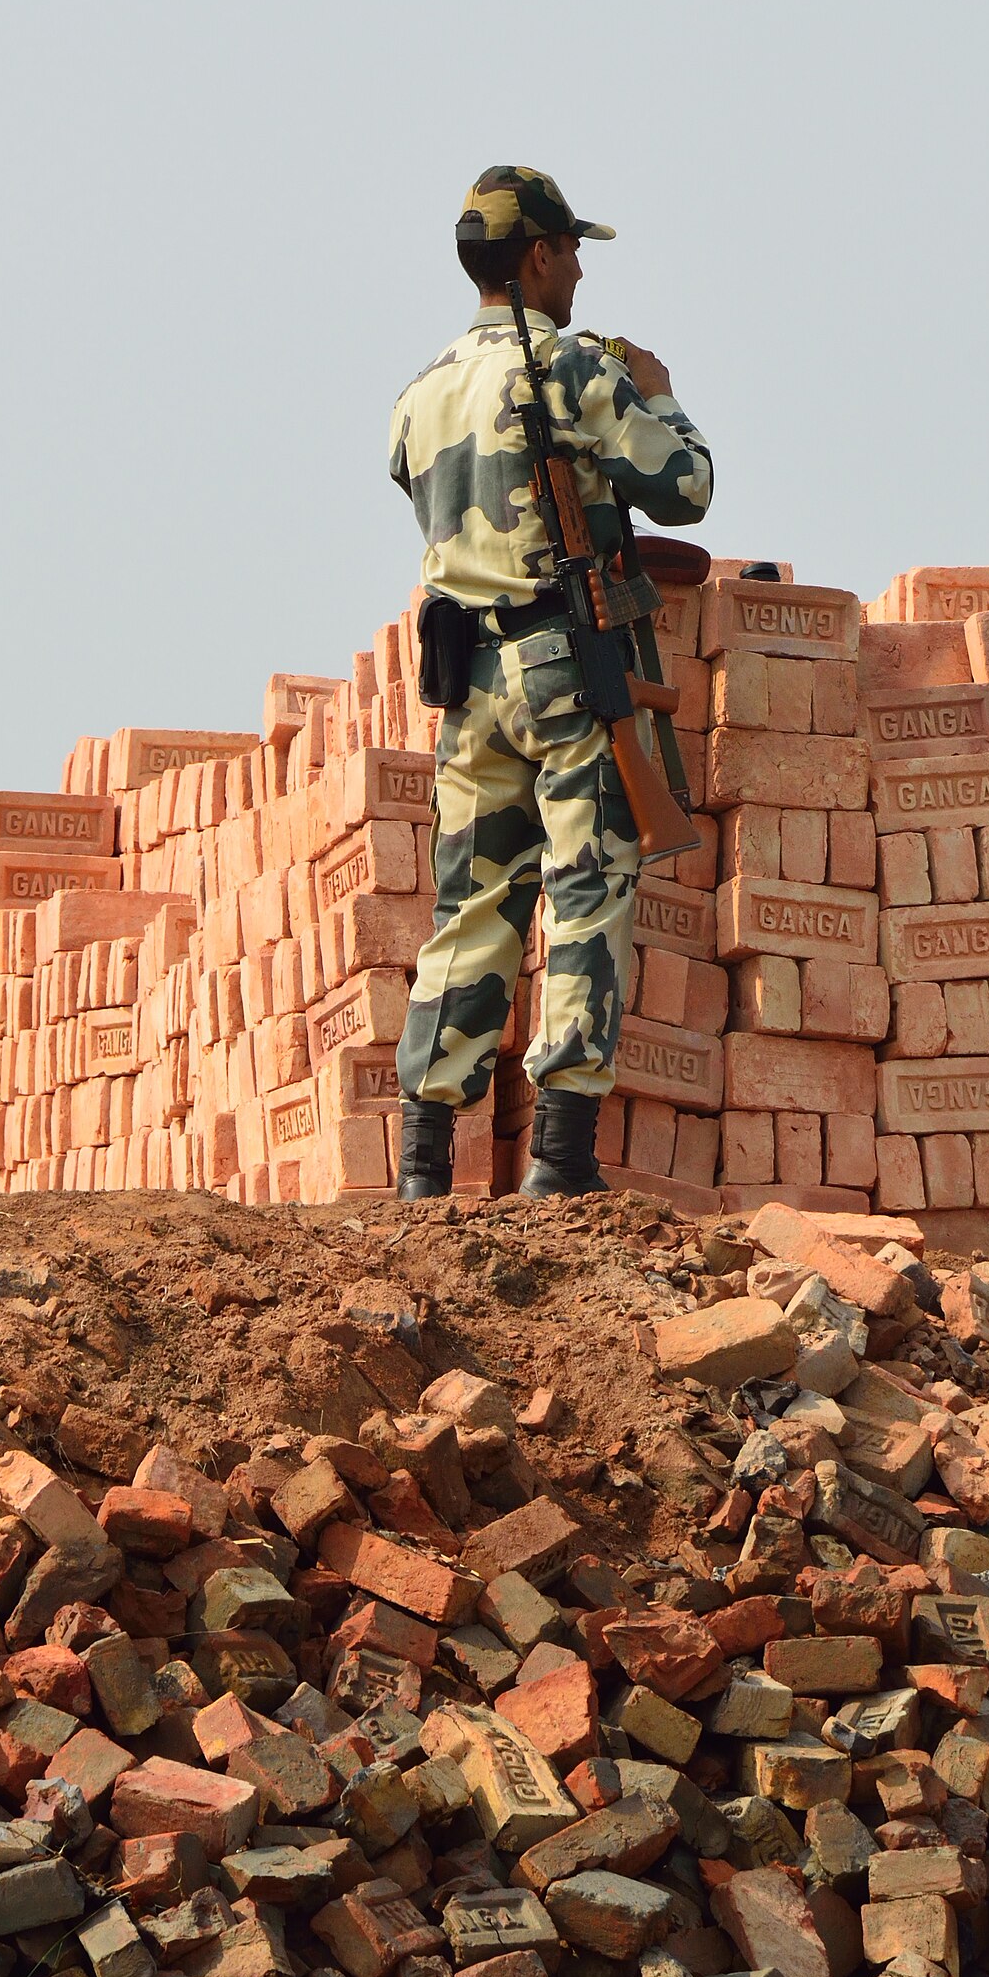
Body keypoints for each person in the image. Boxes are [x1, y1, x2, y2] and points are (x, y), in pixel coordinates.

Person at [386, 167, 714, 1201]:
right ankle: (561, 1159)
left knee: (471, 907)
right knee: (583, 891)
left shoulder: (421, 393)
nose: (577, 267)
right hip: (563, 663)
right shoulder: (570, 367)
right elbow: (687, 485)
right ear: (536, 255)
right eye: (570, 248)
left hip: (466, 680)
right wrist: (656, 390)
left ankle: (423, 1164)